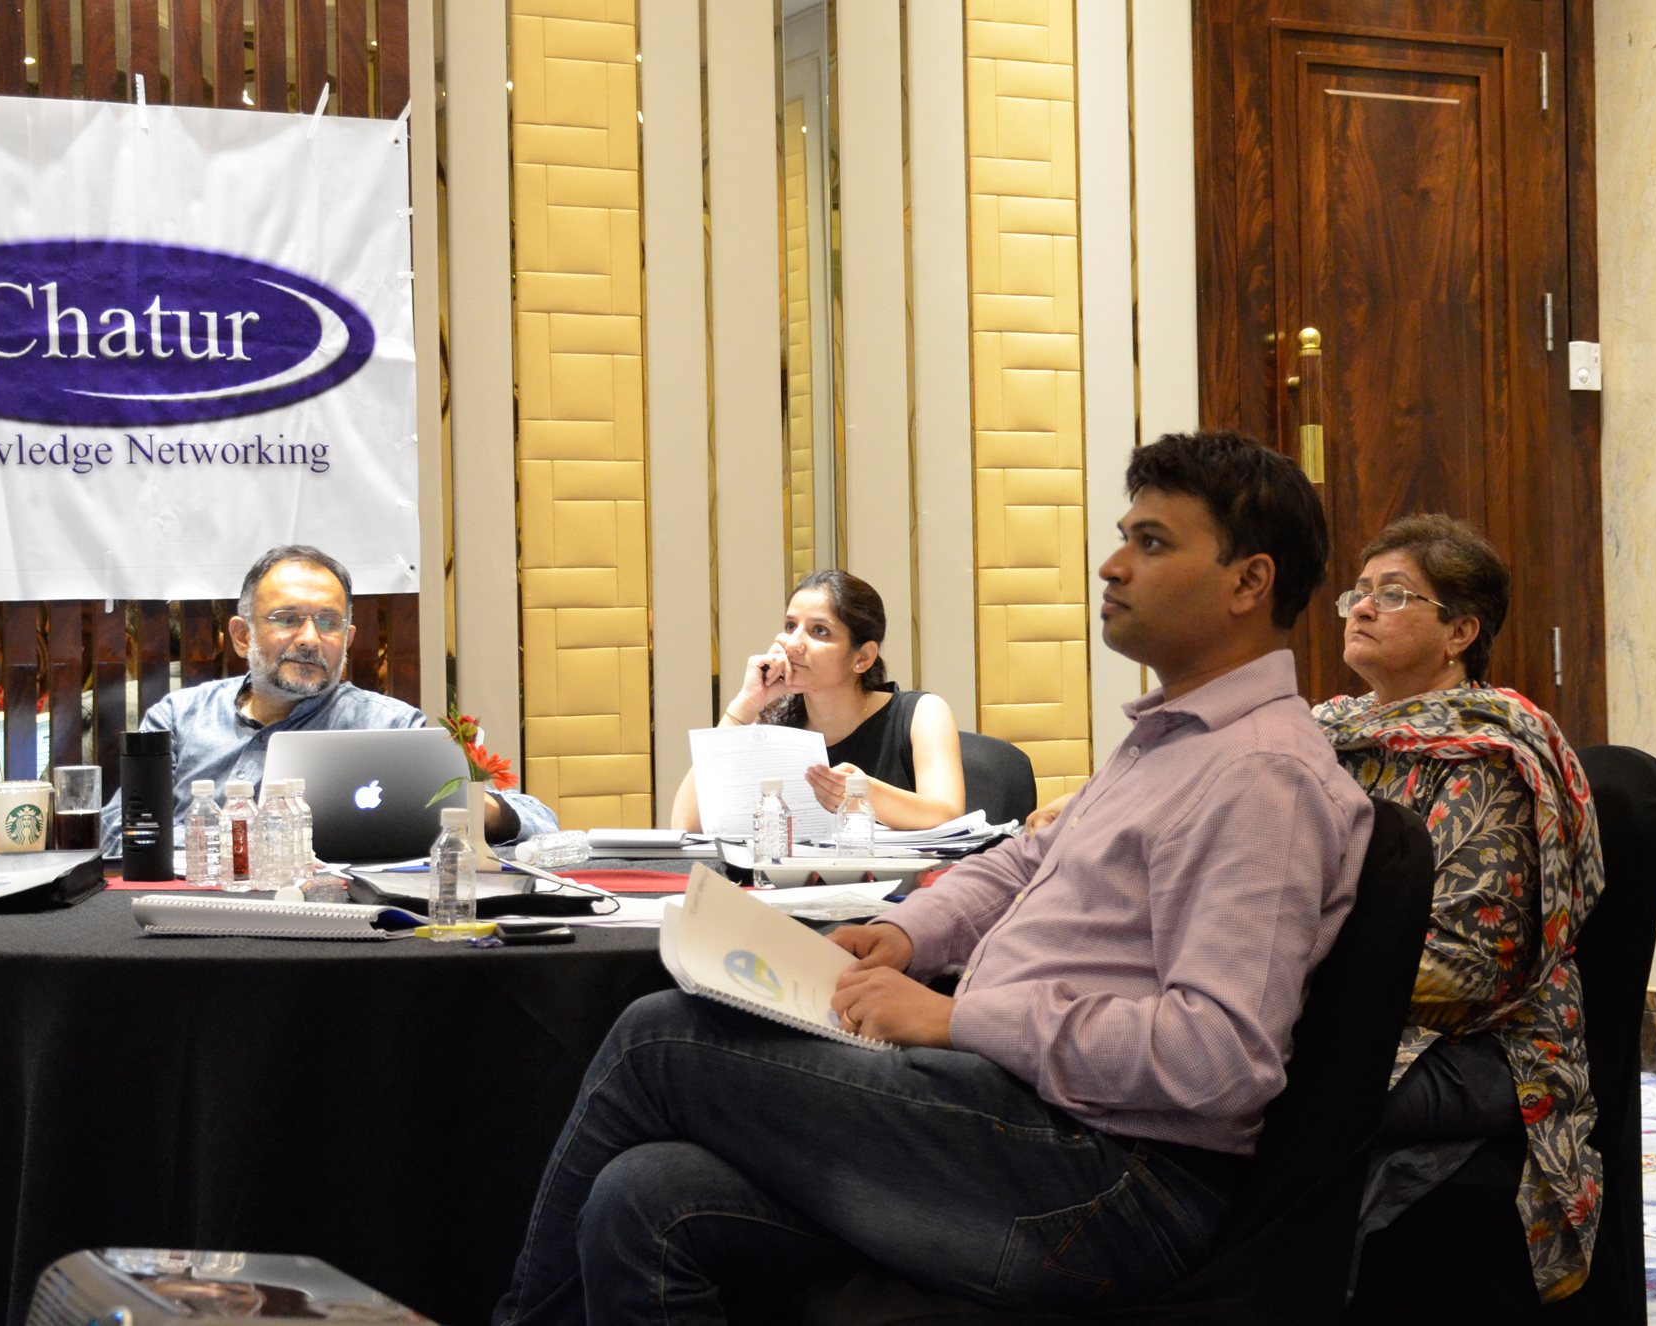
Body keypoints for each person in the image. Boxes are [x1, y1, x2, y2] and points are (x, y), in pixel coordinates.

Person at [494, 431, 1373, 1323]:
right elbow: (1020, 862)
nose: (1112, 566)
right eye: (1124, 538)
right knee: (643, 1197)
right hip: (1022, 1118)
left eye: (1151, 543)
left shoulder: (1262, 777)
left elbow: (1216, 1060)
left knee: (657, 1039)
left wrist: (957, 1019)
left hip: (1112, 1184)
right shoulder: (1173, 741)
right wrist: (908, 933)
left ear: (1248, 582)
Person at [1315, 514, 1603, 1302]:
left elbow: (1470, 971)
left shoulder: (1492, 758)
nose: (1361, 608)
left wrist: (1287, 979)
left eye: (1393, 594)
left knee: (1262, 1082)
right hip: (1355, 1012)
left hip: (1483, 1046)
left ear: (1460, 632)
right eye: (1358, 592)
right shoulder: (1331, 735)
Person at [99, 545, 555, 855]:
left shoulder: (391, 727)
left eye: (329, 623)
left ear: (347, 639)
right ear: (242, 636)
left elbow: (542, 824)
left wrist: (479, 809)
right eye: (287, 619)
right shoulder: (179, 717)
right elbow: (121, 833)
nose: (310, 639)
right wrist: (259, 847)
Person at [668, 569, 966, 832]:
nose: (793, 644)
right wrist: (747, 702)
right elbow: (686, 824)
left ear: (862, 657)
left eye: (819, 631)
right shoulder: (774, 724)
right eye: (790, 626)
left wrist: (864, 793)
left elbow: (949, 816)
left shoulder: (922, 713)